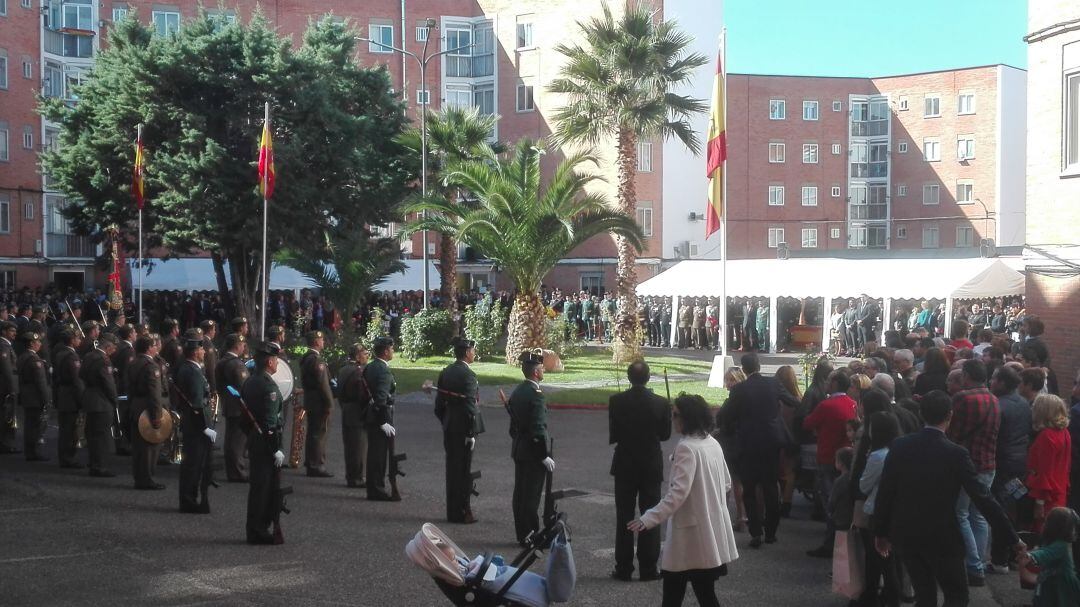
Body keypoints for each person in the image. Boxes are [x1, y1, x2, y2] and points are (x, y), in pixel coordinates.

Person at [873, 390, 1023, 607]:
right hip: (942, 536)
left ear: (922, 414)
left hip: (907, 532)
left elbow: (886, 491)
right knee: (956, 595)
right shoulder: (956, 454)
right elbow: (983, 498)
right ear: (950, 416)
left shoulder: (899, 446)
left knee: (924, 594)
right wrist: (1013, 538)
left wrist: (880, 531)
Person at [628, 394, 738, 607]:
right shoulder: (711, 442)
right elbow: (725, 483)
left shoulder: (686, 447)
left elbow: (677, 494)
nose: (672, 418)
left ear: (688, 418)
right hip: (707, 530)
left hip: (690, 535)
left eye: (676, 414)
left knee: (678, 592)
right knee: (700, 591)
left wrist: (649, 518)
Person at [608, 361, 672, 582]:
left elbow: (614, 433)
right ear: (648, 377)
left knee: (624, 515)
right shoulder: (661, 403)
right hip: (650, 464)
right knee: (650, 514)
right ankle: (648, 567)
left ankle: (623, 567)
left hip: (625, 463)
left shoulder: (616, 401)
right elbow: (665, 435)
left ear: (628, 378)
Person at [721, 353, 785, 548]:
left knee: (749, 488)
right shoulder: (773, 384)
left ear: (744, 369)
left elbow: (725, 415)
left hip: (748, 443)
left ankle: (755, 531)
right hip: (771, 442)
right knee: (771, 487)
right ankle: (771, 532)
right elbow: (792, 400)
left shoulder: (740, 389)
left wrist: (730, 427)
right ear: (759, 365)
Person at [948, 359, 1001, 586]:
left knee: (960, 514)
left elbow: (953, 431)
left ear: (967, 376)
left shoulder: (962, 398)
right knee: (978, 516)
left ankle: (973, 566)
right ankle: (977, 562)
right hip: (988, 463)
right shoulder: (995, 399)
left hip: (967, 465)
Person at [804, 369, 858, 558]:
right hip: (847, 457)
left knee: (831, 503)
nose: (826, 383)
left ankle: (830, 543)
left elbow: (808, 423)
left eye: (828, 380)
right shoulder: (853, 404)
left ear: (834, 384)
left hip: (828, 457)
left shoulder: (827, 405)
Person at [435, 338, 486, 524]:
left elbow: (439, 405)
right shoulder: (469, 376)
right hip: (464, 430)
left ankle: (453, 511)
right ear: (466, 353)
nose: (474, 353)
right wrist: (471, 433)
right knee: (463, 470)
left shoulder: (446, 372)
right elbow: (470, 407)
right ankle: (462, 511)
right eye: (473, 350)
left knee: (452, 470)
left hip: (450, 426)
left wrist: (447, 421)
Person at [508, 349, 555, 545]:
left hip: (519, 448)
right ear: (536, 372)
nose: (543, 370)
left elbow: (513, 427)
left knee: (520, 493)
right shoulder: (536, 395)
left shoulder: (518, 391)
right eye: (541, 367)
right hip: (532, 453)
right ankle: (530, 533)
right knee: (531, 496)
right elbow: (537, 429)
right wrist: (543, 455)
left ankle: (523, 533)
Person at [988, 365, 1031, 571]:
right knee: (1011, 509)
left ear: (1003, 383)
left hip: (1002, 463)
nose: (991, 382)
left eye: (994, 379)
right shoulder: (1024, 403)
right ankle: (1014, 555)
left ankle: (1000, 559)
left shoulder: (997, 405)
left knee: (999, 511)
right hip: (1019, 464)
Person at [243, 341, 286, 545]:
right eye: (276, 359)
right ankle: (258, 529)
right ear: (270, 361)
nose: (278, 362)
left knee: (258, 486)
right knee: (264, 488)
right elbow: (270, 423)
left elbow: (245, 417)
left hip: (255, 438)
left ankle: (256, 528)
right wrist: (276, 448)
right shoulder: (268, 386)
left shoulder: (250, 381)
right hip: (267, 442)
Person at [858, 412, 902, 607]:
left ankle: (874, 596)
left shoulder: (877, 455)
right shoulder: (900, 450)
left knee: (877, 559)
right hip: (897, 511)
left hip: (876, 509)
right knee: (890, 560)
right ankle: (891, 597)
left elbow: (864, 486)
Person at [176, 329, 215, 513]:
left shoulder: (189, 368)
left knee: (193, 463)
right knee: (194, 464)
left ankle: (189, 498)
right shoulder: (192, 372)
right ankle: (189, 500)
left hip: (194, 423)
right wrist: (205, 428)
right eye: (201, 350)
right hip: (197, 424)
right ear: (195, 352)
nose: (204, 352)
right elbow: (197, 404)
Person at [1026, 394, 1073, 534]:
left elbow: (1043, 472)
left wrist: (1039, 503)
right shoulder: (1064, 432)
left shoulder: (1046, 436)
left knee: (1040, 534)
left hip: (1045, 497)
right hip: (1059, 491)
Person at [1017, 507, 1080, 607]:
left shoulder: (1061, 545)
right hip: (1052, 586)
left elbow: (1045, 553)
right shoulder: (1051, 543)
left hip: (1063, 591)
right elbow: (1033, 578)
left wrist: (1030, 556)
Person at [129, 334, 166, 490]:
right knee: (149, 446)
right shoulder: (151, 366)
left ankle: (139, 476)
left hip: (135, 405)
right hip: (146, 407)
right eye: (154, 345)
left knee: (138, 445)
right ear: (149, 348)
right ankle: (146, 478)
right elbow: (154, 394)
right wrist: (157, 416)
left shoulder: (134, 362)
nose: (156, 347)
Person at [364, 336, 399, 501]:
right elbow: (381, 398)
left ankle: (373, 486)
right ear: (385, 351)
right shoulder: (383, 370)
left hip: (371, 415)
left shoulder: (370, 367)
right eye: (391, 349)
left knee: (373, 453)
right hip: (381, 416)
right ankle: (376, 489)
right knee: (379, 455)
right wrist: (383, 421)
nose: (393, 351)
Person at [80, 334, 118, 477]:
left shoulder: (89, 356)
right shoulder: (104, 360)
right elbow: (109, 384)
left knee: (92, 435)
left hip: (89, 397)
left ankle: (93, 462)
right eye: (113, 348)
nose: (114, 351)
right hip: (102, 401)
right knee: (102, 436)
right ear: (107, 347)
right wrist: (115, 400)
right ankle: (100, 466)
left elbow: (81, 373)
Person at [299, 330, 334, 477]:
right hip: (319, 402)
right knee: (319, 433)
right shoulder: (316, 360)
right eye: (321, 340)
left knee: (313, 432)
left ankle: (310, 461)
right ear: (315, 342)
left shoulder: (307, 358)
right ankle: (316, 465)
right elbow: (323, 384)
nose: (323, 342)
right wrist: (329, 402)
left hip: (311, 400)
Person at [217, 334, 250, 482]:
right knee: (237, 440)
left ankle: (233, 470)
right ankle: (237, 471)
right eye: (242, 345)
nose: (244, 347)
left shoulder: (223, 361)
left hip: (229, 402)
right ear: (237, 346)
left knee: (231, 439)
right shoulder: (236, 364)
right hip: (238, 405)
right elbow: (244, 386)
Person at [338, 343, 370, 490]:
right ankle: (356, 478)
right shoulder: (358, 372)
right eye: (364, 353)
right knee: (358, 446)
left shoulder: (344, 369)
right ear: (357, 356)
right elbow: (362, 394)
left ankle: (351, 475)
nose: (367, 356)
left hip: (346, 409)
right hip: (357, 411)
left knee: (350, 446)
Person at [17, 332, 51, 462]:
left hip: (26, 394)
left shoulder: (23, 356)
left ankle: (30, 451)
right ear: (31, 343)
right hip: (35, 396)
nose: (40, 344)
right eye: (38, 342)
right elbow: (41, 382)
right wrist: (46, 399)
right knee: (36, 425)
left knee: (29, 425)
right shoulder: (34, 359)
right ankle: (34, 452)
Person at [54, 329, 85, 468]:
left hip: (62, 393)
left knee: (65, 428)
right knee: (71, 429)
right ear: (72, 340)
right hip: (71, 396)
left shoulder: (60, 353)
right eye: (78, 338)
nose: (79, 340)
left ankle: (64, 457)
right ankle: (68, 458)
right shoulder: (72, 357)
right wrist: (82, 399)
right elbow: (76, 380)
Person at [774, 365, 802, 517]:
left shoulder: (776, 400)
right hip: (793, 439)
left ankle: (778, 499)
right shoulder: (799, 399)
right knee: (789, 473)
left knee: (777, 472)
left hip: (778, 438)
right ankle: (787, 502)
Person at [112, 325, 137, 455]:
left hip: (118, 386)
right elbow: (128, 372)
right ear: (129, 335)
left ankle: (120, 443)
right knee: (125, 417)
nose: (136, 334)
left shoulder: (119, 346)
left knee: (120, 416)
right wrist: (129, 390)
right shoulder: (129, 350)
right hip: (124, 388)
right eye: (134, 332)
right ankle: (124, 444)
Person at [0, 321, 21, 455]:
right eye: (11, 331)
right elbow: (7, 369)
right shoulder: (3, 346)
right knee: (7, 415)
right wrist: (13, 388)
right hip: (6, 385)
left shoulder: (6, 345)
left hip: (6, 383)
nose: (14, 334)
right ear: (4, 332)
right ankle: (5, 443)